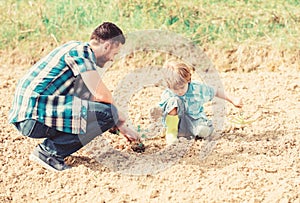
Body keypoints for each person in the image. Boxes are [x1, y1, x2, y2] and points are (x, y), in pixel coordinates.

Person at [8, 22, 140, 171]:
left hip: (29, 115)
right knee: (108, 113)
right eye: (114, 54)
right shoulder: (82, 52)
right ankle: (48, 152)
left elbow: (89, 99)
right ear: (107, 46)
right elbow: (101, 94)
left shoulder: (74, 48)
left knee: (104, 112)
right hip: (33, 116)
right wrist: (119, 117)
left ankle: (51, 149)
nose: (112, 59)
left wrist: (118, 125)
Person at [159, 60, 243, 145]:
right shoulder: (168, 94)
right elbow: (162, 109)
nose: (179, 91)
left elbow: (216, 91)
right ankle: (171, 132)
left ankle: (195, 133)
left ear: (188, 79)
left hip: (194, 122)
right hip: (177, 124)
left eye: (182, 87)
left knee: (203, 131)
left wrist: (232, 99)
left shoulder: (197, 88)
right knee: (173, 101)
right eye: (175, 89)